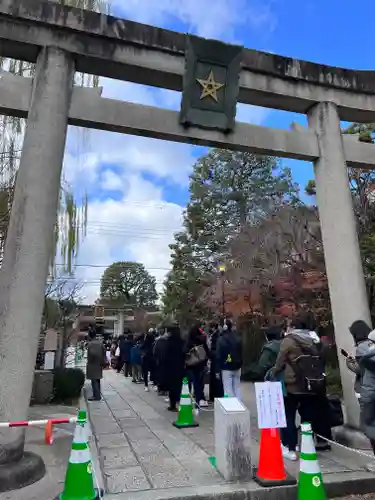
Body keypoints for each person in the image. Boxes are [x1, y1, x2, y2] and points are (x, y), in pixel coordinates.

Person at [271, 313, 332, 461]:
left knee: (289, 416)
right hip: (312, 384)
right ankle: (307, 445)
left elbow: (279, 363)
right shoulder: (315, 340)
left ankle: (290, 448)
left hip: (293, 384)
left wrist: (272, 373)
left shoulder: (289, 340)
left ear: (293, 326)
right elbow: (323, 357)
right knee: (307, 417)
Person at [216, 319, 242, 399]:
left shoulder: (221, 339)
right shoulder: (238, 338)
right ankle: (239, 405)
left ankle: (231, 407)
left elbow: (218, 355)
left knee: (228, 388)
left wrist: (217, 369)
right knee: (237, 388)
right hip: (237, 366)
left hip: (226, 367)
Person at [185, 325, 210, 408]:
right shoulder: (202, 341)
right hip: (200, 365)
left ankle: (187, 402)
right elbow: (207, 352)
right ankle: (198, 402)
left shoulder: (189, 341)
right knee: (198, 384)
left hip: (190, 365)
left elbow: (184, 351)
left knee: (188, 383)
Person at [164, 325, 185, 411]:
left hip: (170, 367)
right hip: (180, 367)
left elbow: (165, 355)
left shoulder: (168, 342)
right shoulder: (182, 342)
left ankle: (172, 404)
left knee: (172, 386)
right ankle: (178, 402)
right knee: (179, 385)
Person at [86, 326, 106, 401]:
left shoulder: (91, 344)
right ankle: (97, 395)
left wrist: (90, 361)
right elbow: (104, 353)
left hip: (92, 364)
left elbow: (91, 354)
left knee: (94, 381)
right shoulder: (100, 343)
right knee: (97, 380)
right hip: (99, 363)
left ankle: (96, 396)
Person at [208, 322, 224, 401]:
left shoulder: (216, 336)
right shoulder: (217, 335)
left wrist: (210, 353)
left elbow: (215, 347)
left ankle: (215, 395)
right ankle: (215, 395)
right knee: (215, 377)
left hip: (215, 359)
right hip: (215, 358)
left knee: (215, 377)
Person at [153, 329, 169, 395]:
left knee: (159, 375)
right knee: (166, 376)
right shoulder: (167, 342)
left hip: (159, 361)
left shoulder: (158, 342)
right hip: (166, 362)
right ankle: (165, 389)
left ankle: (160, 389)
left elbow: (154, 352)